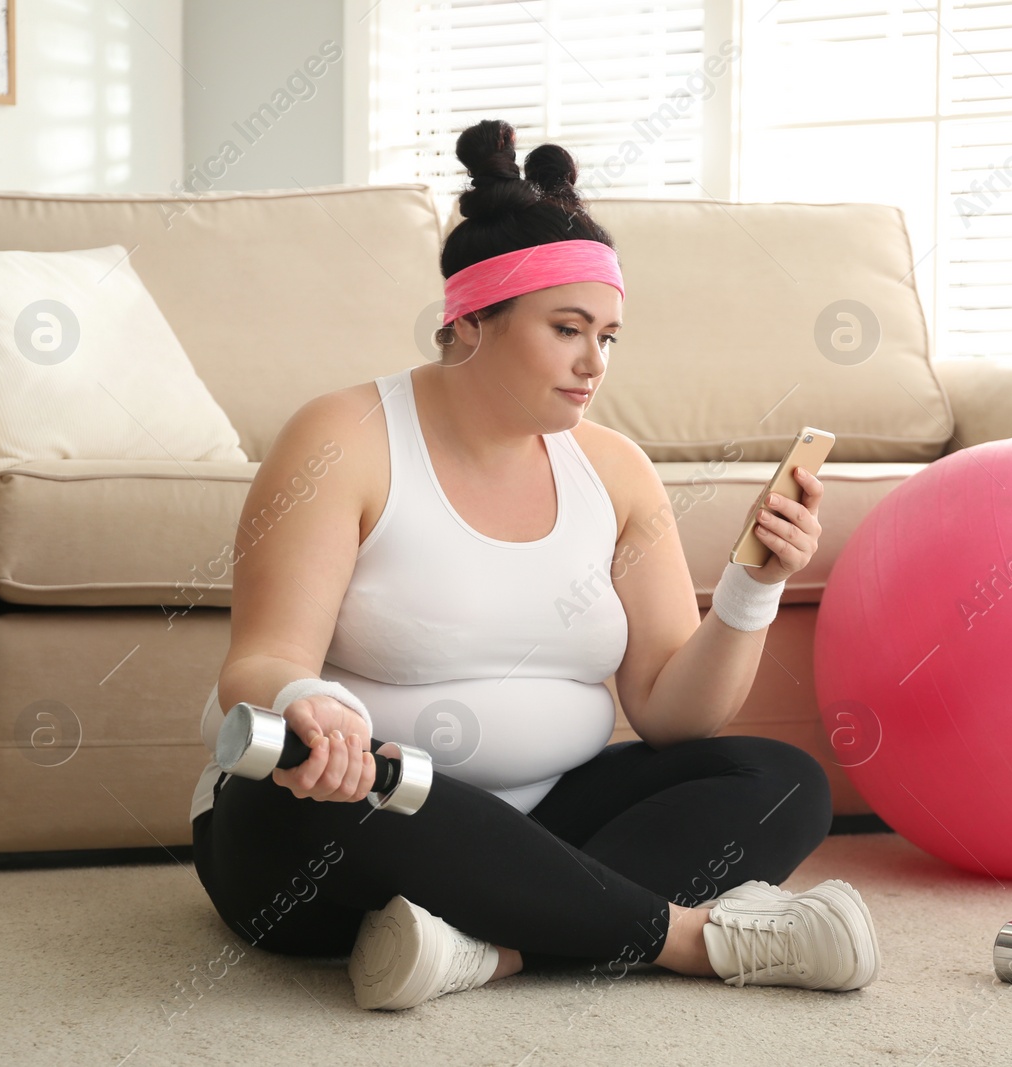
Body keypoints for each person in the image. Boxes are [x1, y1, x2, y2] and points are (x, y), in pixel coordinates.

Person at [188, 117, 882, 1011]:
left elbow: (674, 714)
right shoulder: (343, 438)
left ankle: (489, 946)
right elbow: (259, 660)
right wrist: (311, 705)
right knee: (346, 796)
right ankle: (690, 940)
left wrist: (756, 584)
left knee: (781, 781)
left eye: (611, 336)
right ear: (473, 318)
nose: (596, 363)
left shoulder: (617, 470)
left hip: (549, 814)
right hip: (354, 817)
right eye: (568, 329)